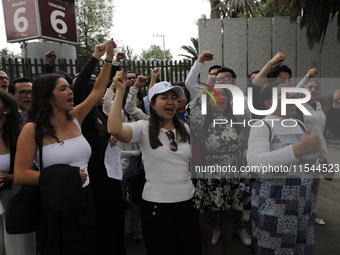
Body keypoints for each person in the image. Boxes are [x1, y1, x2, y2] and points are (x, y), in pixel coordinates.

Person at [14, 39, 115, 255]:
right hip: (54, 206)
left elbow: (98, 90)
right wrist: (66, 177)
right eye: (63, 89)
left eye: (69, 87)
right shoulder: (32, 129)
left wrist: (107, 58)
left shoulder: (76, 117)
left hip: (85, 201)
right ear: (48, 97)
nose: (70, 92)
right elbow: (21, 174)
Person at [107, 73, 202, 255]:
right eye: (164, 97)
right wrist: (119, 92)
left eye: (174, 97)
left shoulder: (186, 129)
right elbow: (114, 129)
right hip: (157, 207)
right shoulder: (143, 127)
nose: (171, 101)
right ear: (151, 103)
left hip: (187, 203)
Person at [247, 79, 321, 254]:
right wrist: (296, 150)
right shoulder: (262, 126)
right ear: (268, 103)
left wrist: (321, 167)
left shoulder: (300, 125)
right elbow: (256, 163)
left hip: (303, 203)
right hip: (275, 204)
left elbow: (306, 162)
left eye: (294, 95)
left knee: (300, 247)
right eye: (285, 94)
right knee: (275, 249)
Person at [71, 43, 126, 254]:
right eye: (98, 89)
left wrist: (109, 140)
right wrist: (98, 57)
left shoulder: (100, 115)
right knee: (101, 230)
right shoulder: (79, 118)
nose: (103, 92)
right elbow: (80, 86)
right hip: (95, 184)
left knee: (115, 224)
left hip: (110, 179)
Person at [190, 85, 245, 255]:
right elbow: (190, 109)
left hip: (231, 176)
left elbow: (241, 149)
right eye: (217, 95)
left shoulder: (234, 120)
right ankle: (209, 252)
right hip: (210, 176)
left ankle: (228, 251)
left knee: (228, 215)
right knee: (209, 216)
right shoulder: (202, 121)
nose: (222, 98)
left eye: (225, 95)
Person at [0, 90, 36, 255]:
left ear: (6, 110)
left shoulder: (20, 136)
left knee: (19, 249)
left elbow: (34, 170)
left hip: (14, 200)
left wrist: (12, 177)